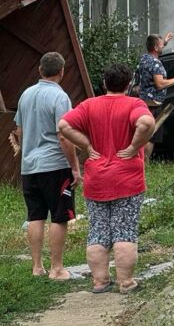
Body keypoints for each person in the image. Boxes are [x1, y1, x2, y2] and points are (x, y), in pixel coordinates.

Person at [58, 63, 156, 294]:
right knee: (124, 231)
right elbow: (147, 123)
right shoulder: (134, 104)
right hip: (127, 178)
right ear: (129, 84)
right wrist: (134, 147)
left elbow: (63, 125)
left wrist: (87, 146)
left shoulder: (89, 105)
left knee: (98, 231)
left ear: (104, 83)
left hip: (96, 179)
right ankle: (126, 282)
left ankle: (100, 282)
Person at [10, 51, 79, 281]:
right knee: (59, 216)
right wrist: (75, 166)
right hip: (55, 165)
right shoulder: (60, 98)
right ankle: (57, 268)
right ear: (62, 71)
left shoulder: (25, 95)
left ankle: (37, 267)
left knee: (35, 215)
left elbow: (18, 130)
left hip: (29, 167)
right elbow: (64, 136)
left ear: (40, 70)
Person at [135, 31, 174, 154]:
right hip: (154, 104)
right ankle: (145, 164)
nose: (163, 46)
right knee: (151, 136)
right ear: (155, 48)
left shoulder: (144, 58)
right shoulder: (156, 63)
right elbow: (160, 84)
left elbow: (156, 48)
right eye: (161, 45)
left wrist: (166, 40)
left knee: (144, 132)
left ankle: (141, 162)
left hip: (144, 101)